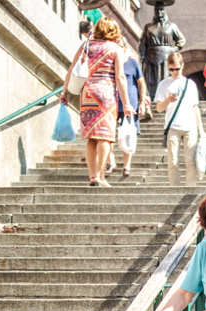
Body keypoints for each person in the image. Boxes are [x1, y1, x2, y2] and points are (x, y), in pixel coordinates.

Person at [60, 17, 134, 187]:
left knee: (91, 137)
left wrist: (64, 92)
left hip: (87, 95)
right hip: (106, 95)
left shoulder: (87, 45)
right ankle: (101, 176)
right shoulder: (115, 49)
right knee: (105, 137)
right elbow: (120, 77)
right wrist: (127, 103)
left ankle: (92, 176)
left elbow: (72, 69)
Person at [155, 52, 204, 187]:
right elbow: (159, 108)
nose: (174, 72)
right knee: (173, 161)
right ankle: (174, 190)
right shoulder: (163, 84)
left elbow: (195, 107)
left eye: (177, 69)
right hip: (172, 127)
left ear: (182, 66)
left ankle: (190, 188)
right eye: (171, 69)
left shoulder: (190, 84)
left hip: (190, 127)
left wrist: (201, 130)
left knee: (190, 160)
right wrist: (167, 100)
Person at [107, 37, 147, 178]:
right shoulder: (109, 63)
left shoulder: (132, 63)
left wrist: (142, 102)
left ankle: (126, 165)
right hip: (111, 103)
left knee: (129, 135)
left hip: (130, 105)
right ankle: (111, 163)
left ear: (125, 48)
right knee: (109, 134)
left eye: (119, 46)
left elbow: (141, 83)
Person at [139, 1, 185, 94]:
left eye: (161, 10)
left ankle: (165, 96)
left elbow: (181, 40)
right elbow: (143, 43)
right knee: (151, 79)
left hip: (166, 57)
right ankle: (151, 97)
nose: (159, 13)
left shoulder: (171, 26)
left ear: (165, 12)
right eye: (157, 11)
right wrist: (142, 56)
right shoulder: (148, 27)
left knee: (165, 78)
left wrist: (174, 50)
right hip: (151, 56)